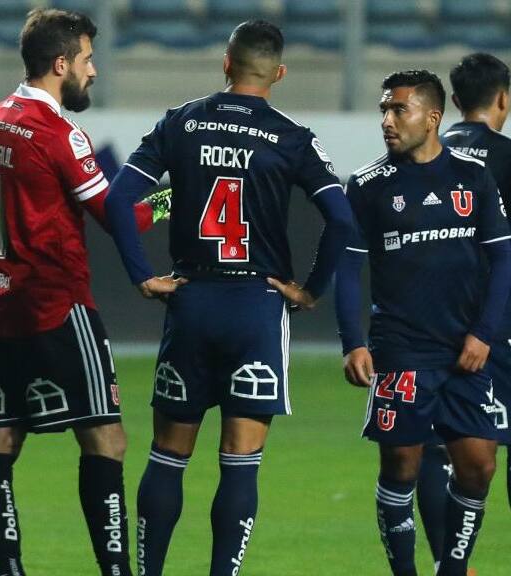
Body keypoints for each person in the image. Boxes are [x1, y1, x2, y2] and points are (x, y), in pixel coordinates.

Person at [105, 20, 353, 576]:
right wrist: (309, 290)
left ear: (225, 63)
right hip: (257, 311)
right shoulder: (292, 137)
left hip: (191, 303)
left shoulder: (182, 122)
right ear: (280, 74)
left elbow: (121, 200)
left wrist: (142, 275)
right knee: (240, 464)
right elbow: (340, 218)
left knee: (168, 458)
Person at [0, 9, 170, 576]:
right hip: (59, 306)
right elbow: (118, 216)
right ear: (61, 64)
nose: (94, 71)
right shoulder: (58, 133)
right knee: (106, 439)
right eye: (86, 59)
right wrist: (174, 198)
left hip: (6, 304)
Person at [335, 69, 511, 576]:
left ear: (433, 117)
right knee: (402, 466)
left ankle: (451, 570)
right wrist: (353, 341)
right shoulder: (367, 186)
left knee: (479, 467)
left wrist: (483, 332)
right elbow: (349, 267)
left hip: (467, 350)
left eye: (399, 110)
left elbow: (502, 260)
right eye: (384, 110)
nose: (388, 121)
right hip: (402, 348)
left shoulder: (474, 177)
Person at [416, 52, 511, 571]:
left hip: (425, 329)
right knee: (490, 456)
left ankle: (450, 563)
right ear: (503, 98)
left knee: (433, 450)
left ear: (452, 102)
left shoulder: (424, 156)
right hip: (497, 332)